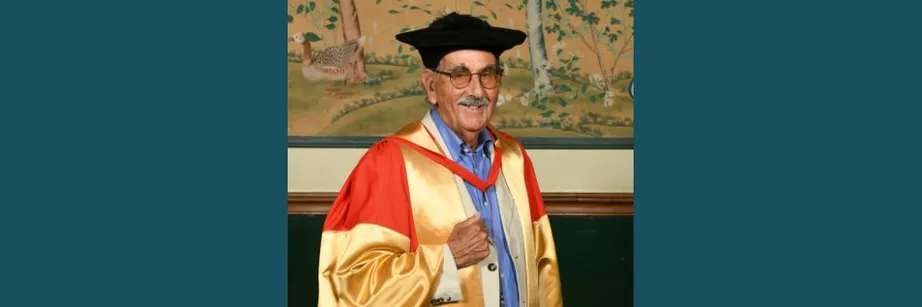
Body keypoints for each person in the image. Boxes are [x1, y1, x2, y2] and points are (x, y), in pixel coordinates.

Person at [316, 12, 562, 307]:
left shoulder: (513, 158)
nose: (477, 90)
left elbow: (543, 269)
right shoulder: (390, 163)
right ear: (431, 87)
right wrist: (447, 258)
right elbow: (354, 286)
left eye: (488, 75)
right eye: (459, 75)